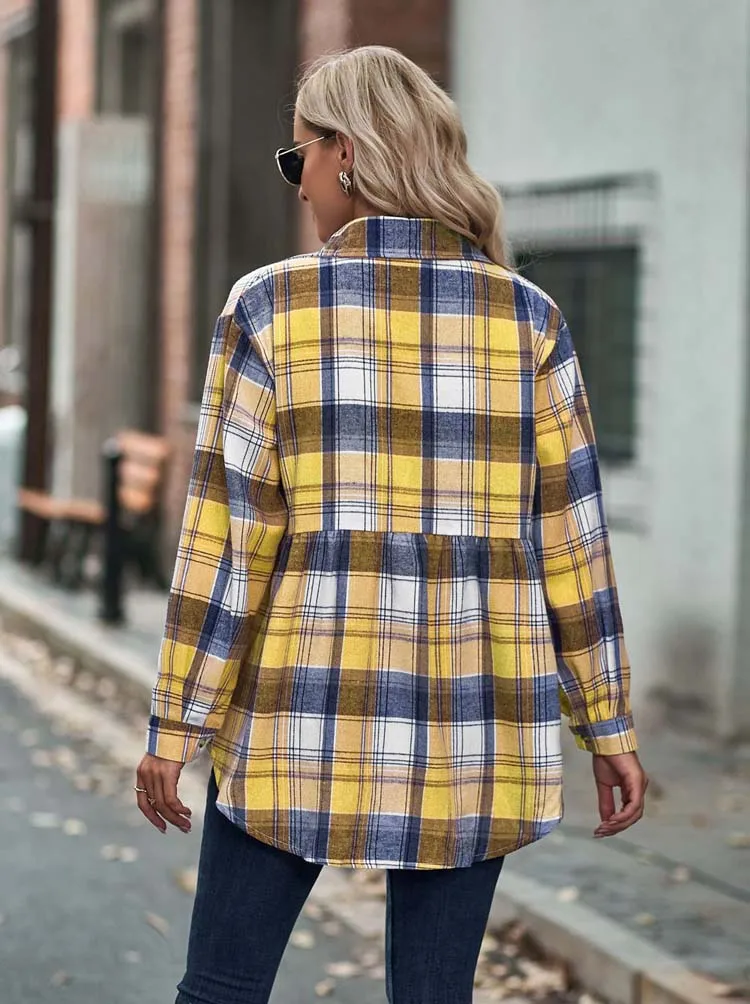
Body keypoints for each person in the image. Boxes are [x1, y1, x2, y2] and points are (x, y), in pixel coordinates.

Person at [135, 45, 648, 1004]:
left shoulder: (270, 307)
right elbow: (573, 546)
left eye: (296, 158)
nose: (297, 185)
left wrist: (178, 722)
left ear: (345, 154)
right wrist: (606, 722)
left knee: (222, 990)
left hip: (296, 712)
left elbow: (227, 546)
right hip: (476, 725)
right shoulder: (529, 320)